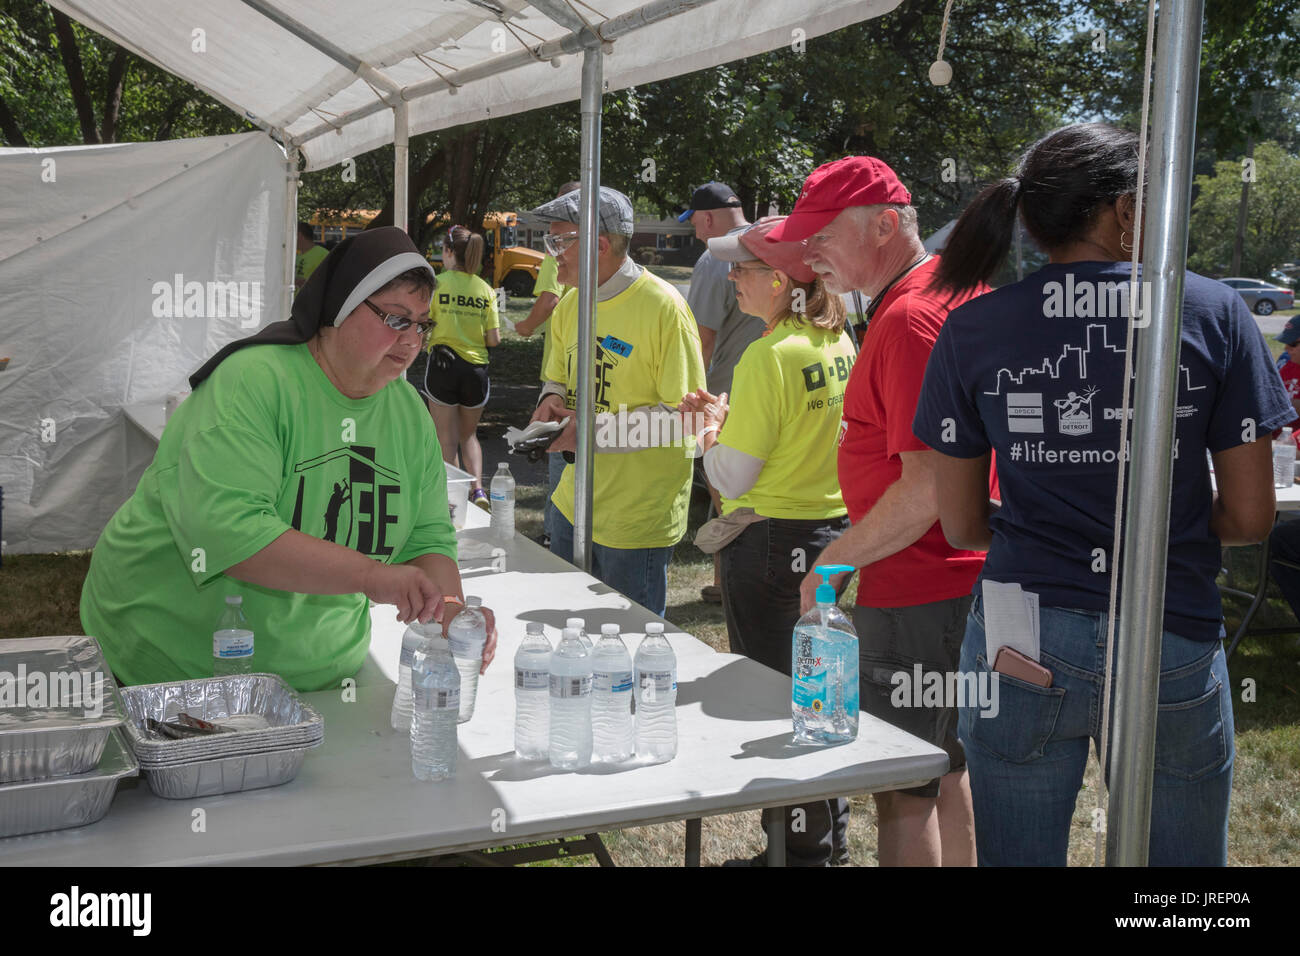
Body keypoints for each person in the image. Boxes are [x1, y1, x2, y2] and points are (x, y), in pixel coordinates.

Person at [912, 123, 1290, 866]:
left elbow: (959, 523)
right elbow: (1249, 516)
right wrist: (1172, 528)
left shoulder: (973, 329)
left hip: (1022, 628)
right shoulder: (1213, 313)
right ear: (1124, 212)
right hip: (1168, 624)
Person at [80, 227, 498, 691]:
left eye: (422, 325)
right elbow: (230, 533)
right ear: (339, 308)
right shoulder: (253, 382)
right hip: (173, 666)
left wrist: (451, 611)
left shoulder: (407, 413)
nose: (412, 341)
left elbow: (427, 537)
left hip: (320, 672)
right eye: (396, 319)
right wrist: (371, 576)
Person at [770, 156, 993, 867]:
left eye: (823, 240)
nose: (810, 260)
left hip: (926, 585)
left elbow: (927, 488)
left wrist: (832, 562)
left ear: (886, 225)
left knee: (900, 786)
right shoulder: (942, 293)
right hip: (953, 582)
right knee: (943, 764)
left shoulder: (908, 317)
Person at [679, 216, 855, 866]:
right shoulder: (836, 342)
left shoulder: (767, 354)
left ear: (781, 280)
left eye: (743, 269)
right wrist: (730, 421)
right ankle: (822, 841)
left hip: (769, 544)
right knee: (820, 693)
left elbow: (730, 474)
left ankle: (800, 853)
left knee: (778, 702)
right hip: (830, 538)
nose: (731, 279)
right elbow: (796, 438)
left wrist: (704, 431)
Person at [528, 186, 706, 617]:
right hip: (572, 505)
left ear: (600, 245)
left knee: (627, 656)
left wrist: (588, 433)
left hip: (635, 518)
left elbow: (687, 422)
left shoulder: (664, 308)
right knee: (569, 638)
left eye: (558, 242)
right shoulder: (570, 305)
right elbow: (556, 375)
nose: (551, 254)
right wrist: (550, 401)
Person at [679, 182, 765, 603]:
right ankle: (732, 580)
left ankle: (725, 582)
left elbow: (703, 338)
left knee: (725, 489)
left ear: (709, 218)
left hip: (724, 399)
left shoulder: (715, 256)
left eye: (695, 221)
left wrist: (690, 398)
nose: (695, 231)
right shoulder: (768, 244)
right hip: (768, 388)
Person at [514, 181, 581, 545]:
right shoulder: (568, 256)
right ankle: (560, 533)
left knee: (561, 461)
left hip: (571, 381)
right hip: (562, 375)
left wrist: (524, 327)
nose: (554, 249)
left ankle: (557, 535)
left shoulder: (559, 255)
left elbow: (549, 300)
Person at [423, 225, 501, 509]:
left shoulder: (436, 284)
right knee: (469, 435)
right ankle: (478, 490)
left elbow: (423, 324)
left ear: (448, 251)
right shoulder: (485, 289)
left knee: (446, 439)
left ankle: (453, 501)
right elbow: (494, 339)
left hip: (444, 365)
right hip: (476, 370)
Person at [295, 221, 329, 291]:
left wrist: (305, 283)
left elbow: (329, 281)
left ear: (299, 235)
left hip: (311, 300)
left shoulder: (323, 254)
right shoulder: (296, 256)